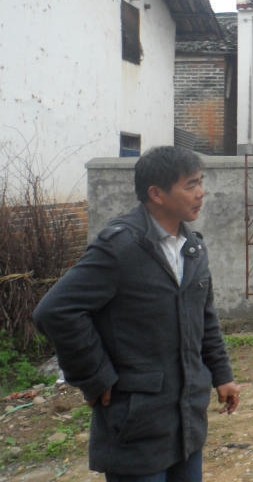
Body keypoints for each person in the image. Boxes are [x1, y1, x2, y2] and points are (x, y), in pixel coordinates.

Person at [33, 146, 240, 482]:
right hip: (136, 422)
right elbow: (56, 311)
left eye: (200, 182)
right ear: (156, 194)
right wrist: (95, 376)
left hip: (187, 419)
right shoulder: (121, 247)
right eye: (190, 185)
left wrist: (222, 374)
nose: (201, 193)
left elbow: (205, 317)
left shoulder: (193, 247)